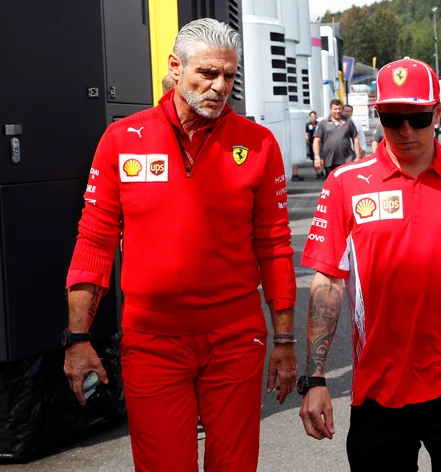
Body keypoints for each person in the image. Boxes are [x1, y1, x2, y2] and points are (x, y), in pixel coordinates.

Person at [62, 19, 297, 472]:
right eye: (206, 73)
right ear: (175, 66)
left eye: (228, 76)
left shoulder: (259, 144)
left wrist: (284, 341)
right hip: (152, 340)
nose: (219, 86)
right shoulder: (122, 141)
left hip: (235, 337)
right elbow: (94, 241)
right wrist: (77, 338)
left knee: (234, 465)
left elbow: (274, 247)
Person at [298, 57, 441, 471]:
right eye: (392, 117)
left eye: (418, 117)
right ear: (376, 114)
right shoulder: (345, 185)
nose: (405, 130)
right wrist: (315, 380)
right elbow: (327, 281)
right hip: (377, 388)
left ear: (437, 112)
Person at [313, 99, 360, 176]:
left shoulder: (348, 121)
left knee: (346, 185)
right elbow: (316, 140)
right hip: (329, 160)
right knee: (332, 185)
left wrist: (357, 157)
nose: (338, 111)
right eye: (335, 109)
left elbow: (355, 139)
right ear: (330, 109)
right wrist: (317, 157)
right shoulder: (323, 123)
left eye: (339, 109)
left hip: (346, 160)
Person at [304, 111, 323, 180]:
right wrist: (307, 139)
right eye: (312, 117)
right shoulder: (308, 125)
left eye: (314, 116)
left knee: (321, 157)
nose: (313, 118)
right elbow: (306, 133)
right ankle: (317, 173)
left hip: (319, 142)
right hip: (311, 143)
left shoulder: (319, 124)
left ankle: (321, 171)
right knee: (313, 158)